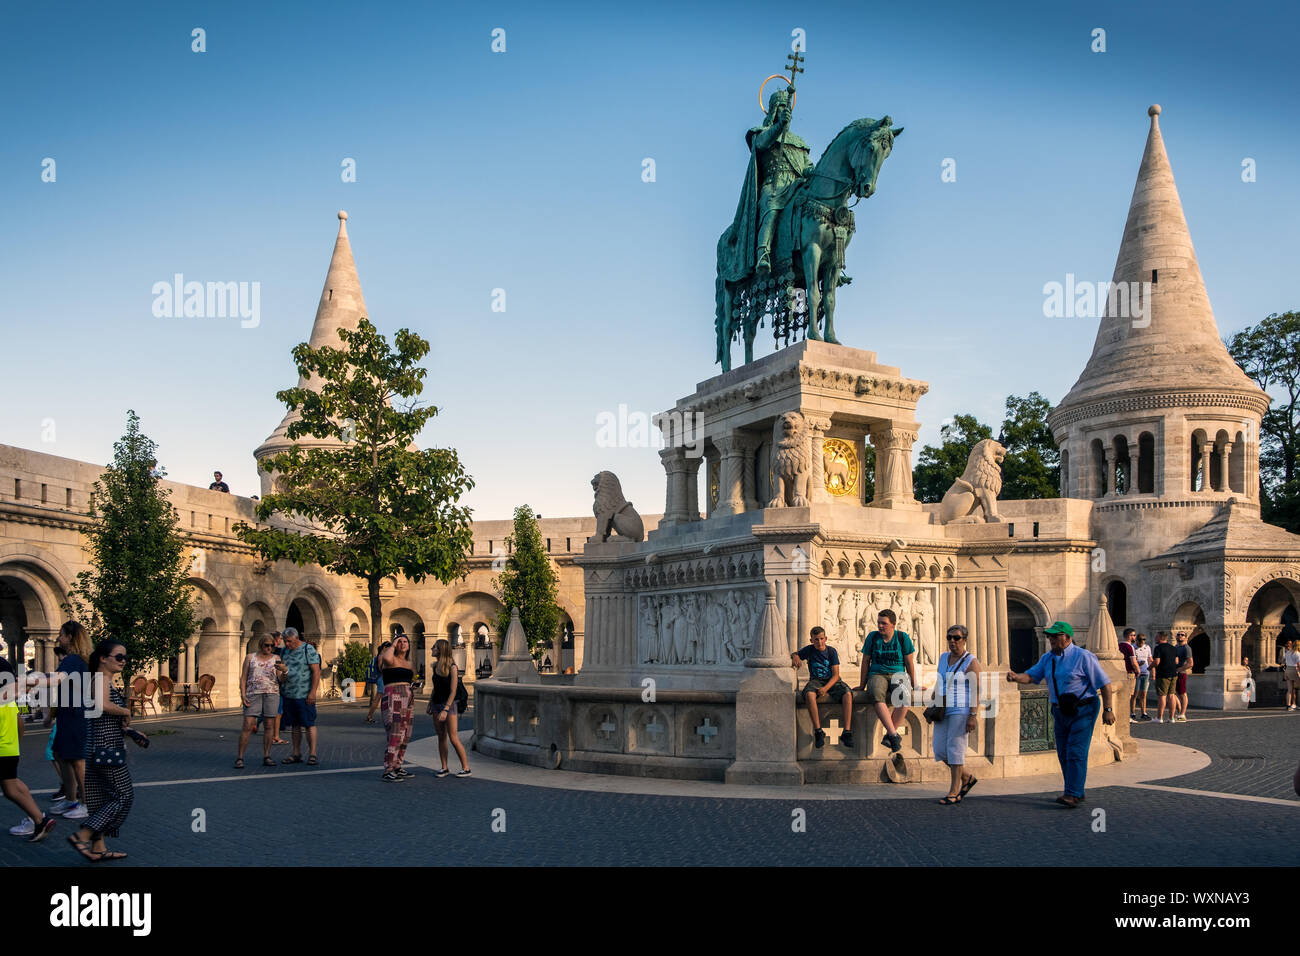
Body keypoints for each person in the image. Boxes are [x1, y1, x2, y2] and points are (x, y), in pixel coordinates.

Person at [1006, 621, 1115, 808]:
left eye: (1055, 636)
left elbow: (1104, 684)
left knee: (1075, 751)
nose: (1051, 639)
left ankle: (1072, 793)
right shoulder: (1047, 658)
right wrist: (1016, 677)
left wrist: (1108, 710)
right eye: (1049, 636)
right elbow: (1032, 676)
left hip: (1084, 709)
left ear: (1067, 637)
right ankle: (1075, 790)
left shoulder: (1083, 657)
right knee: (1063, 752)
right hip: (1059, 710)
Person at [68, 640, 141, 861]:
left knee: (101, 798)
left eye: (125, 658)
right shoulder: (100, 679)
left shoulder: (101, 680)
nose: (123, 661)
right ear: (103, 658)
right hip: (105, 748)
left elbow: (102, 716)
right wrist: (125, 710)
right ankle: (82, 835)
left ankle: (98, 847)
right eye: (119, 657)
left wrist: (130, 731)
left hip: (97, 746)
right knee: (123, 795)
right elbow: (103, 706)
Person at [1, 654, 57, 842]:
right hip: (9, 746)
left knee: (11, 786)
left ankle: (39, 819)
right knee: (11, 785)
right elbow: (19, 723)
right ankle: (39, 819)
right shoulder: (8, 701)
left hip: (3, 747)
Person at [854, 609, 917, 753]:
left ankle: (890, 735)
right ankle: (894, 735)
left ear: (893, 624)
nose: (880, 626)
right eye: (879, 623)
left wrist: (915, 684)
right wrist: (862, 684)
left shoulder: (903, 638)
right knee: (876, 694)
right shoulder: (872, 637)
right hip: (877, 673)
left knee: (905, 697)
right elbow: (865, 661)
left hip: (898, 674)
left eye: (884, 623)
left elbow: (909, 663)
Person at [932, 624, 982, 805]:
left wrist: (973, 715)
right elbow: (939, 680)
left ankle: (953, 791)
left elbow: (977, 691)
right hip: (942, 708)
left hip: (961, 709)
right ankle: (967, 777)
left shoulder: (971, 661)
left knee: (955, 749)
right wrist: (933, 699)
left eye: (956, 638)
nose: (952, 641)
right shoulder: (943, 657)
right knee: (939, 749)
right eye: (949, 637)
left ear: (965, 640)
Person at [50, 621, 92, 821]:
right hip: (67, 715)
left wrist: (29, 681)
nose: (59, 638)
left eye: (61, 635)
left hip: (76, 716)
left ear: (70, 637)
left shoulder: (73, 660)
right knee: (60, 754)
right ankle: (70, 798)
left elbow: (57, 679)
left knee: (77, 760)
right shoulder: (73, 660)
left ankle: (85, 803)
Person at [790, 626, 854, 749]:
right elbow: (795, 654)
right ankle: (818, 731)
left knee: (847, 694)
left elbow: (836, 675)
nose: (819, 642)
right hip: (816, 681)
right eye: (816, 640)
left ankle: (847, 731)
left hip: (832, 681)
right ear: (811, 640)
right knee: (809, 694)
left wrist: (825, 688)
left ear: (825, 638)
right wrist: (795, 656)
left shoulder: (831, 651)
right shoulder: (809, 650)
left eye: (821, 639)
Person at [235, 637, 285, 769]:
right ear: (260, 645)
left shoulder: (276, 658)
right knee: (248, 725)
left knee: (269, 725)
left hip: (271, 693)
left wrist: (285, 671)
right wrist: (243, 694)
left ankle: (267, 756)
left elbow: (281, 679)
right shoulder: (250, 657)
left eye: (271, 646)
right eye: (266, 645)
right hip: (253, 693)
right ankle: (240, 757)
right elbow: (244, 677)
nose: (269, 648)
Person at [427, 638, 471, 777]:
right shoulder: (435, 667)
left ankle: (466, 768)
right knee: (441, 737)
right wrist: (430, 702)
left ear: (441, 649)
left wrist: (446, 709)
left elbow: (453, 691)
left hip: (449, 705)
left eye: (434, 647)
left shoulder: (452, 667)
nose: (431, 649)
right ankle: (444, 767)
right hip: (436, 703)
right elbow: (436, 688)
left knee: (453, 737)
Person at [278, 628, 320, 765]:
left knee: (309, 724)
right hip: (289, 693)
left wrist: (313, 692)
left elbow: (316, 672)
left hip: (304, 694)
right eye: (285, 641)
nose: (287, 644)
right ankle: (296, 753)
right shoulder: (284, 651)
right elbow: (283, 670)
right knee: (294, 725)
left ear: (296, 638)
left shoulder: (308, 650)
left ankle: (312, 754)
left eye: (289, 641)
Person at [379, 635, 416, 781]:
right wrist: (393, 645)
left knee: (406, 733)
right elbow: (387, 659)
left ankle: (398, 765)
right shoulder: (389, 658)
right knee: (395, 733)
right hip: (393, 696)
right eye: (399, 641)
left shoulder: (409, 663)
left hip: (408, 697)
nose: (402, 643)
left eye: (405, 641)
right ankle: (388, 768)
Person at [1150, 632, 1179, 723]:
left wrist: (1150, 667)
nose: (1155, 638)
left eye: (1156, 636)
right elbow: (1177, 661)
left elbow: (1157, 662)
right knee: (1171, 695)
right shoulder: (1173, 648)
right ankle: (1171, 718)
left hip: (1163, 674)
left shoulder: (1158, 648)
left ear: (1159, 637)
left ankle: (1159, 718)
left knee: (1162, 696)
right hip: (1173, 674)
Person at [365, 641, 391, 724]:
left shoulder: (382, 655)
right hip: (381, 679)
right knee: (377, 699)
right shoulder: (381, 656)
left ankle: (370, 716)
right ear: (384, 648)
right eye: (389, 648)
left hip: (382, 678)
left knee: (382, 698)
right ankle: (369, 716)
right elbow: (380, 668)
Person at [1173, 632, 1194, 722]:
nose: (1180, 636)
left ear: (1185, 637)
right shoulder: (1176, 647)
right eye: (1178, 634)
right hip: (1174, 673)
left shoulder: (1187, 648)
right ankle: (1179, 711)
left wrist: (1179, 670)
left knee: (1182, 693)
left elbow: (1190, 663)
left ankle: (1182, 714)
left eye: (1182, 635)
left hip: (1181, 673)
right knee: (1172, 693)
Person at [1132, 634, 1153, 721]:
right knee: (1134, 694)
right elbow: (1132, 661)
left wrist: (1153, 672)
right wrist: (1137, 664)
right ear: (1136, 640)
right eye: (1140, 641)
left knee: (1143, 694)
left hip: (1146, 673)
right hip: (1137, 673)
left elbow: (1150, 659)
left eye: (1143, 642)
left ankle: (1143, 712)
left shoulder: (1147, 647)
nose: (1141, 643)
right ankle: (1132, 712)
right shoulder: (1133, 647)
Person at [1118, 628, 1138, 718]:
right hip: (1129, 673)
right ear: (1129, 636)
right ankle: (1126, 717)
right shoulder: (1130, 647)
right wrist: (1138, 670)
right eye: (1133, 635)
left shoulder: (1119, 645)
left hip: (1120, 672)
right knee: (1128, 695)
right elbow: (1133, 662)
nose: (1135, 637)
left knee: (1121, 696)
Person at [1283, 640, 1300, 712]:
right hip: (1294, 670)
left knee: (1290, 689)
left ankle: (1288, 705)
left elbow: (1284, 660)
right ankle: (1294, 704)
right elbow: (1299, 664)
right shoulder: (1297, 653)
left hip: (1287, 669)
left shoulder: (1288, 652)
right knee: (1297, 688)